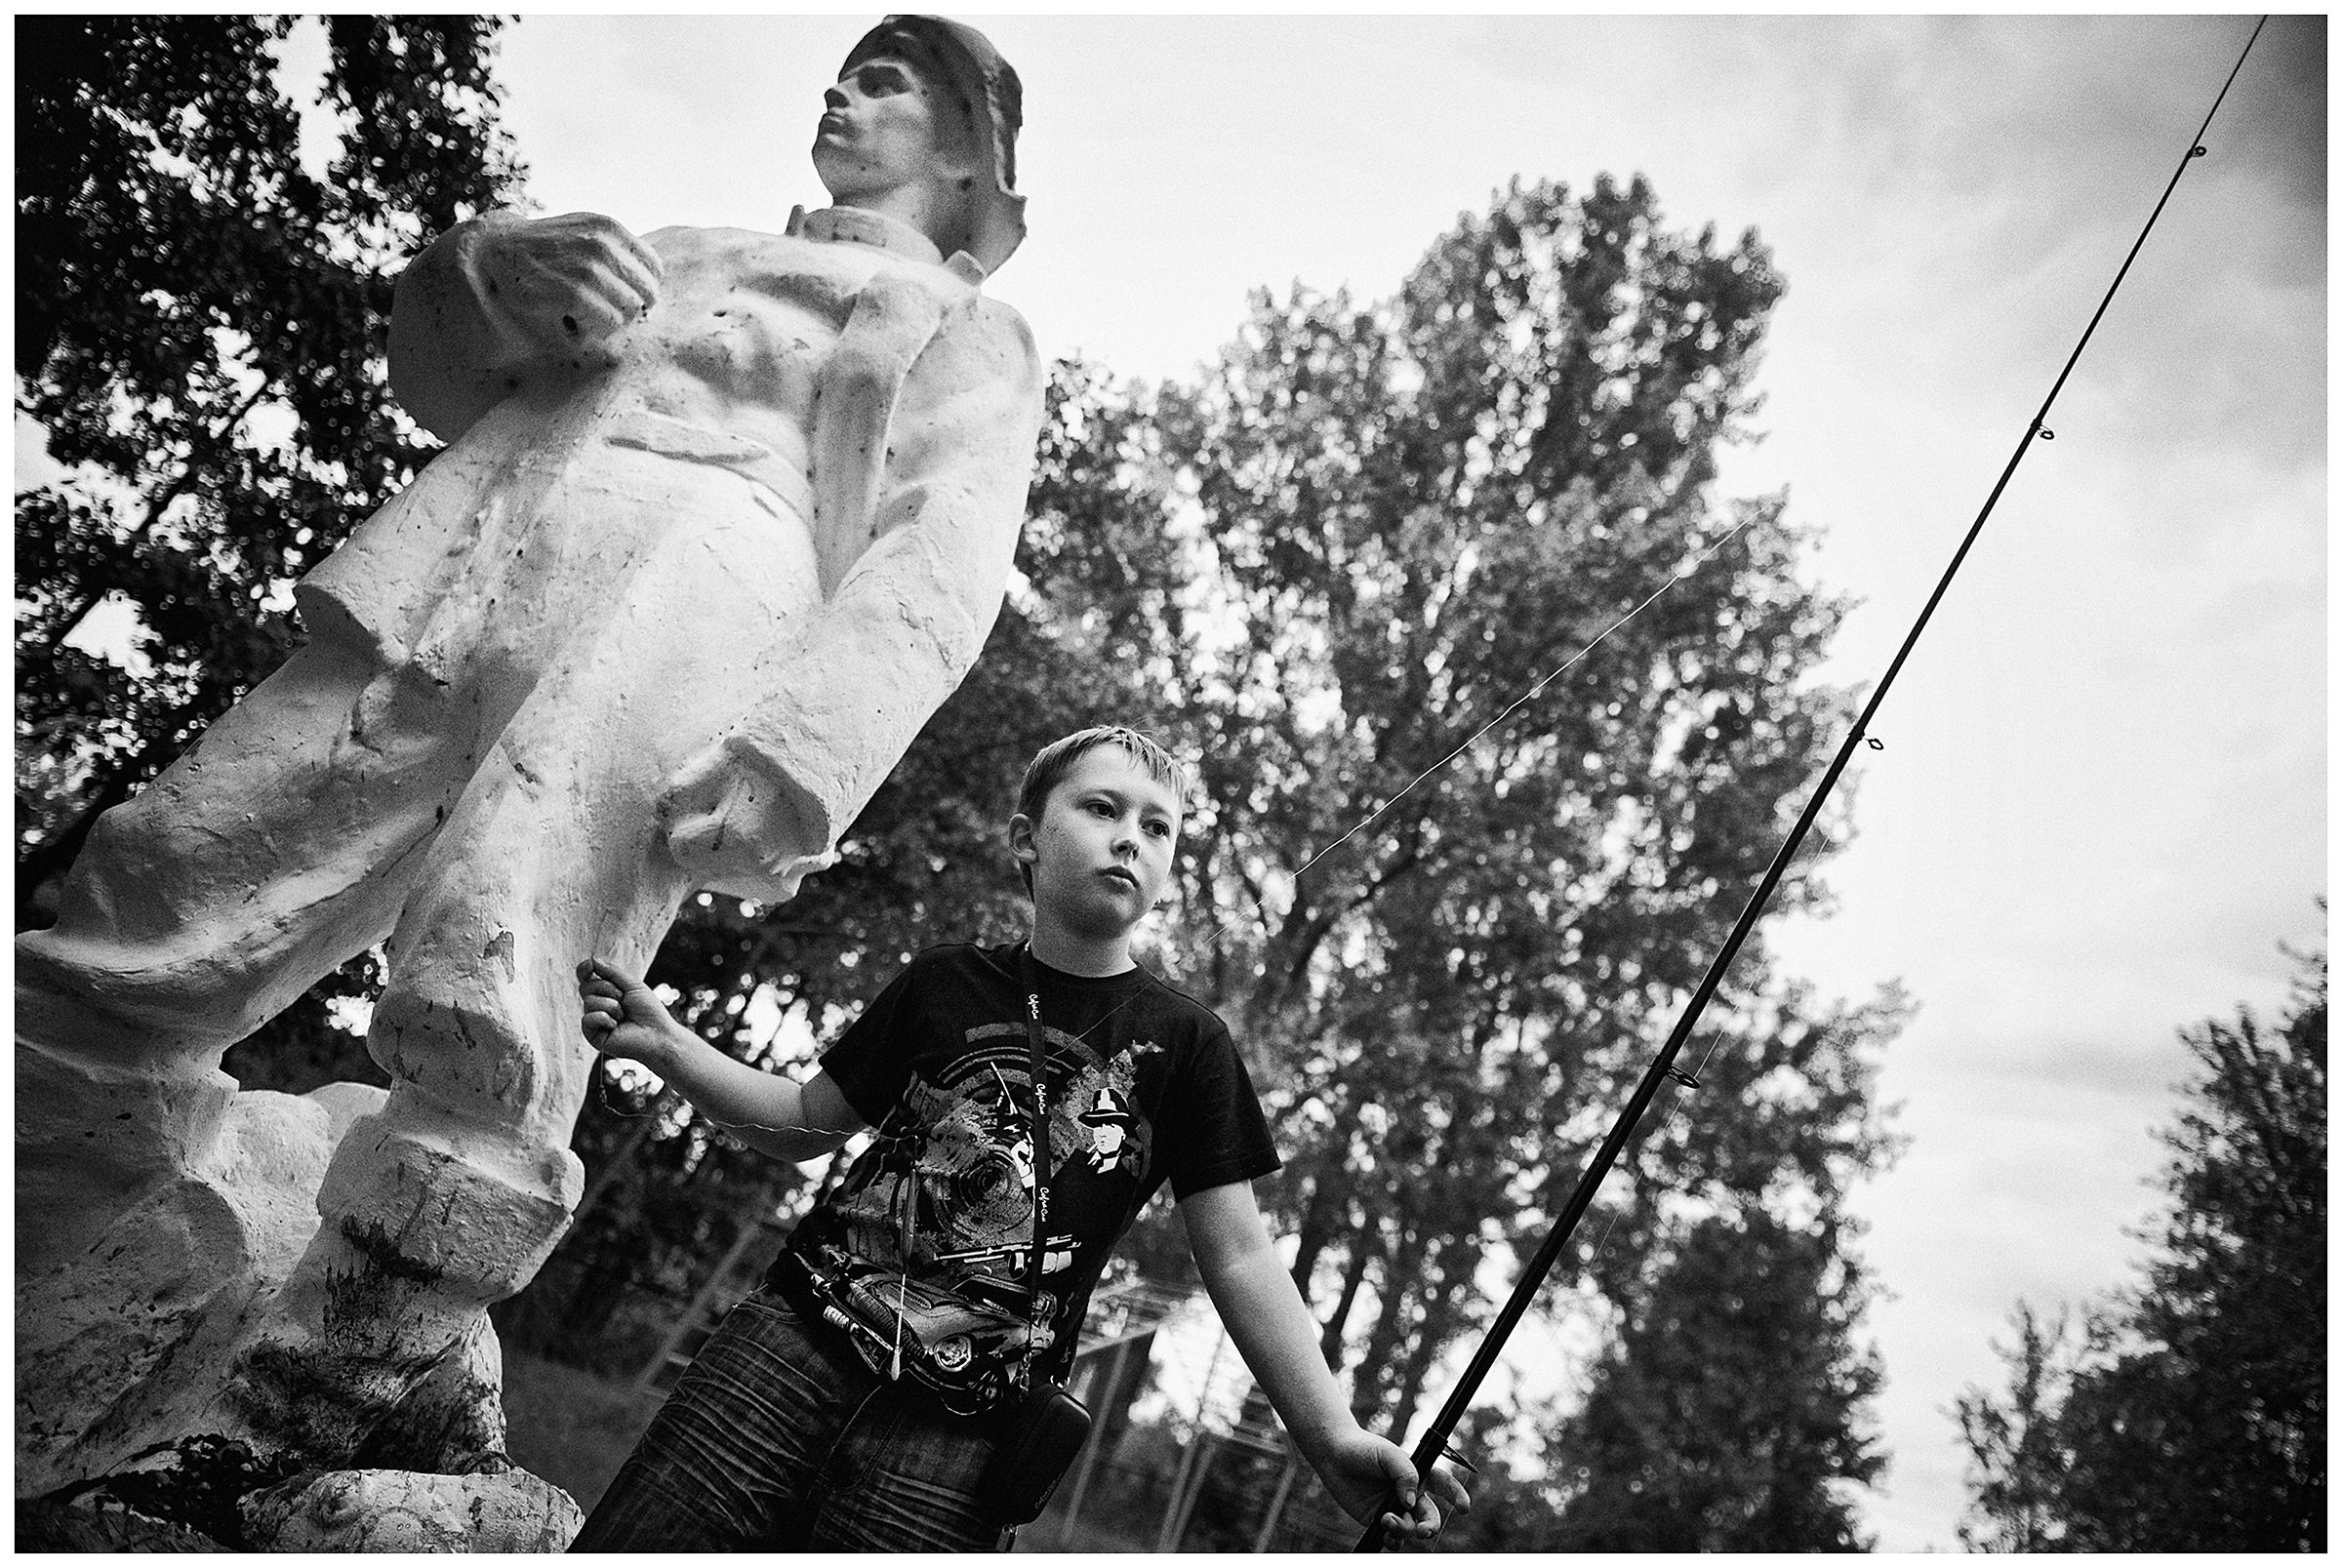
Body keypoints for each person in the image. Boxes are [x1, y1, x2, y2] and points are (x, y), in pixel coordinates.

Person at [14, 14, 1046, 1469]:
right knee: (161, 872)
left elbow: (940, 556)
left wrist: (807, 747)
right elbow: (445, 370)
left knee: (497, 970)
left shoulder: (969, 331)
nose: (840, 90)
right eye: (844, 68)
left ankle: (304, 1411)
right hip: (470, 566)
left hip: (696, 600)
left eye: (884, 82)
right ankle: (53, 1270)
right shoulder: (673, 243)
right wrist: (491, 269)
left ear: (962, 161)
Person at [569, 726, 1472, 1550]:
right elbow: (804, 1122)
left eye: (1159, 829)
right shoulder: (941, 983)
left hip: (960, 1449)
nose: (1132, 837)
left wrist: (1332, 1437)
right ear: (1025, 840)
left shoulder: (1189, 1044)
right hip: (787, 1355)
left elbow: (1238, 1258)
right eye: (1102, 807)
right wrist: (669, 1045)